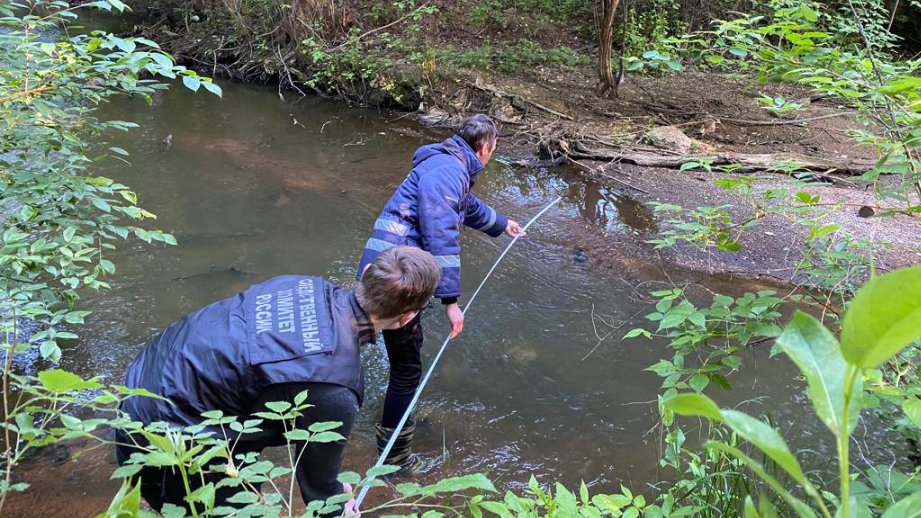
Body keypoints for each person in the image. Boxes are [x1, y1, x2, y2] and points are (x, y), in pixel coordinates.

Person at [116, 246, 441, 515]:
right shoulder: (336, 387)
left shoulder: (300, 283)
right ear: (406, 318)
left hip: (144, 382)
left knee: (246, 483)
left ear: (368, 270)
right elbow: (319, 493)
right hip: (164, 440)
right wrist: (340, 508)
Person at [356, 113, 525, 473]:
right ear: (484, 147)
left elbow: (464, 206)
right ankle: (395, 459)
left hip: (385, 268)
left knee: (357, 337)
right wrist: (451, 302)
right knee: (406, 369)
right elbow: (440, 233)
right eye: (493, 150)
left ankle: (342, 402)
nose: (491, 155)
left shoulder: (445, 164)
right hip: (397, 280)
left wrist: (501, 224)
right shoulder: (450, 171)